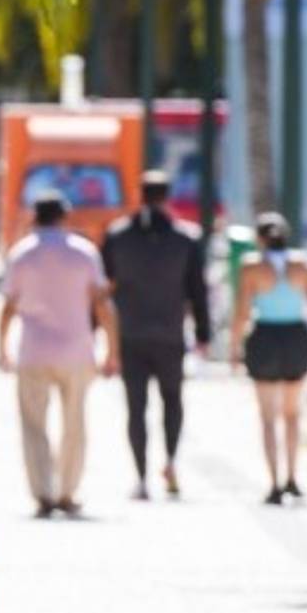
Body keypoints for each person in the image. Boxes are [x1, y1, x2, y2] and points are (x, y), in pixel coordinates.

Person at [0, 192, 119, 517]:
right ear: (65, 218)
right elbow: (101, 304)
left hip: (34, 349)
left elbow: (9, 306)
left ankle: (43, 493)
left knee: (33, 423)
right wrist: (112, 350)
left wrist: (2, 348)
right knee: (75, 422)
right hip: (77, 349)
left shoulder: (21, 254)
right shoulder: (84, 253)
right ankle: (67, 490)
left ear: (34, 217)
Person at [101, 170, 213, 500]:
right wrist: (204, 332)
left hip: (130, 333)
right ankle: (171, 462)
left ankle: (140, 475)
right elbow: (198, 290)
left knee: (136, 408)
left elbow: (103, 287)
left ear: (140, 194)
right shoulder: (186, 238)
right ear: (167, 196)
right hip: (170, 334)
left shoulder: (118, 236)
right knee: (173, 401)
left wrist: (100, 333)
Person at [230, 213, 307, 505]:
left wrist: (234, 348)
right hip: (294, 339)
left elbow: (241, 312)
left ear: (260, 238)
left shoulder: (252, 267)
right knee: (292, 414)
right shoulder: (302, 266)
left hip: (265, 338)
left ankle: (274, 481)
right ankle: (292, 476)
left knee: (268, 416)